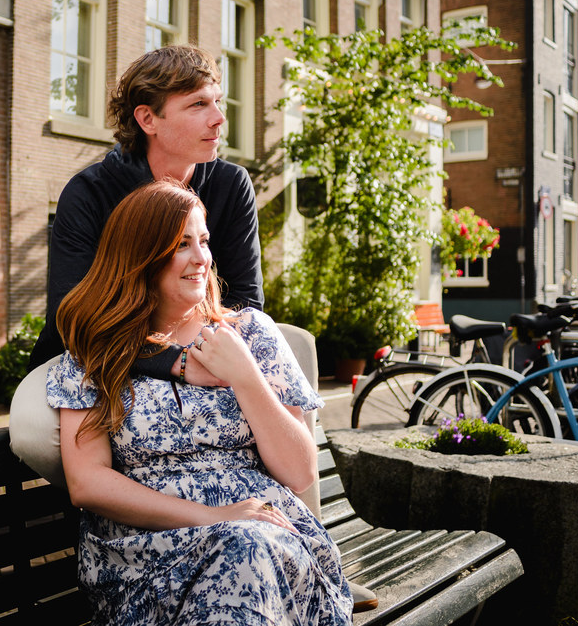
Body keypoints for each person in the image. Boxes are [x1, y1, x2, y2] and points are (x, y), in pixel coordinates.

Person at [47, 181, 352, 625]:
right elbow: (88, 483)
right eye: (181, 244)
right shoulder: (95, 352)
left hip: (269, 542)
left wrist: (246, 376)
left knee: (247, 550)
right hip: (145, 554)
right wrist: (213, 517)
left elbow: (300, 471)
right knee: (241, 549)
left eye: (204, 241)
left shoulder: (252, 334)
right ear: (142, 256)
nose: (201, 258)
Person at [27, 45, 262, 373]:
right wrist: (176, 363)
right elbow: (71, 318)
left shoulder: (232, 184)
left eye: (217, 102)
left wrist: (200, 358)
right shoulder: (88, 193)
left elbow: (245, 303)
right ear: (148, 118)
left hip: (202, 360)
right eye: (198, 104)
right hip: (89, 369)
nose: (219, 118)